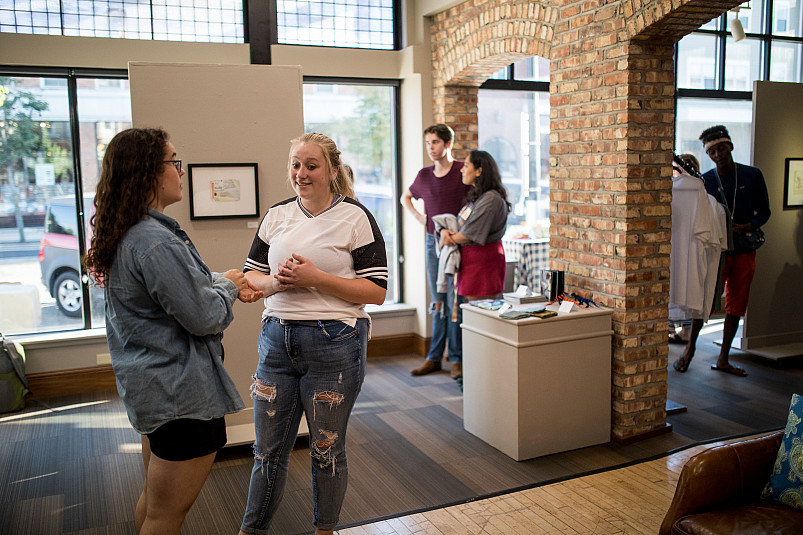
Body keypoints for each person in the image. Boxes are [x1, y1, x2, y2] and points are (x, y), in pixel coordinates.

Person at [82, 128, 262, 535]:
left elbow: (169, 293)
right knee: (165, 517)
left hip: (155, 391)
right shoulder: (154, 240)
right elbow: (204, 316)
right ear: (149, 170)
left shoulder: (130, 232)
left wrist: (222, 280)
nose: (180, 171)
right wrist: (229, 286)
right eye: (174, 162)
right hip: (181, 397)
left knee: (153, 505)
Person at [238, 133, 388, 535]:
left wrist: (316, 278)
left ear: (332, 171)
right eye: (295, 164)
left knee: (325, 450)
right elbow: (252, 272)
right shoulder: (277, 215)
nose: (300, 174)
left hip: (333, 345)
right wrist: (273, 284)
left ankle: (326, 530)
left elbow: (376, 291)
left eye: (311, 165)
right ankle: (250, 531)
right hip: (276, 341)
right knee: (267, 452)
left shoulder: (355, 217)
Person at [673, 125, 770, 376]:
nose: (718, 154)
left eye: (721, 148)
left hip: (744, 248)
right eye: (712, 151)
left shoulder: (752, 175)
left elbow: (765, 211)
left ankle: (724, 357)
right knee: (704, 296)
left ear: (731, 146)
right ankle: (689, 350)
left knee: (737, 302)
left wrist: (749, 225)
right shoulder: (705, 180)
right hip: (716, 249)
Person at [401, 124, 470, 379]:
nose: (431, 148)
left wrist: (456, 232)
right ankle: (433, 357)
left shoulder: (463, 170)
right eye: (428, 142)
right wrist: (421, 218)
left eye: (436, 142)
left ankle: (456, 359)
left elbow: (473, 205)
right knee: (438, 298)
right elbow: (405, 197)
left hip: (457, 243)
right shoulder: (424, 175)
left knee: (455, 301)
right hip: (433, 242)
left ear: (448, 144)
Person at [439, 150, 510, 301]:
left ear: (479, 171)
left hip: (484, 265)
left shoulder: (490, 199)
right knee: (471, 316)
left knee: (480, 317)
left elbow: (468, 234)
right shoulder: (479, 197)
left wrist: (447, 237)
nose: (461, 170)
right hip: (471, 263)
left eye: (466, 165)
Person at [668, 153, 701, 344]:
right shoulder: (673, 188)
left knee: (688, 284)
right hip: (677, 242)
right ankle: (671, 327)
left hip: (690, 243)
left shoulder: (699, 190)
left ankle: (687, 330)